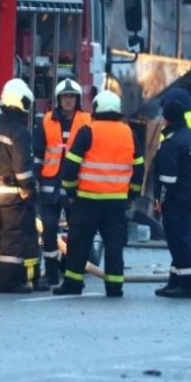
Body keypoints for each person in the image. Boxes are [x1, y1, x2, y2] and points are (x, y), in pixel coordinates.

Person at [53, 90, 144, 297]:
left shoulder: (87, 131)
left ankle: (73, 284)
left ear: (97, 109)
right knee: (114, 244)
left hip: (87, 200)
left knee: (78, 243)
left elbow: (71, 166)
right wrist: (132, 194)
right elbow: (139, 167)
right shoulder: (129, 132)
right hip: (117, 202)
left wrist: (71, 191)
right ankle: (114, 286)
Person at [0, 78, 47, 294]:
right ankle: (9, 282)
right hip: (14, 194)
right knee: (13, 237)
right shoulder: (19, 132)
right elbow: (22, 167)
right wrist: (29, 189)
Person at [32, 78, 91, 286]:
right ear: (58, 99)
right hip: (50, 183)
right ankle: (51, 273)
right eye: (65, 97)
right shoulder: (46, 121)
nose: (68, 101)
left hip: (76, 184)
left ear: (77, 99)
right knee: (48, 229)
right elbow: (38, 155)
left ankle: (73, 273)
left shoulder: (87, 121)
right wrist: (34, 179)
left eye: (72, 97)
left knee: (76, 231)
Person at [153, 88, 191, 299]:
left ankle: (188, 285)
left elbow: (167, 179)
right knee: (187, 240)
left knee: (179, 242)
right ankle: (175, 280)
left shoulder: (172, 143)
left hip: (177, 202)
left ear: (167, 118)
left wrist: (160, 202)